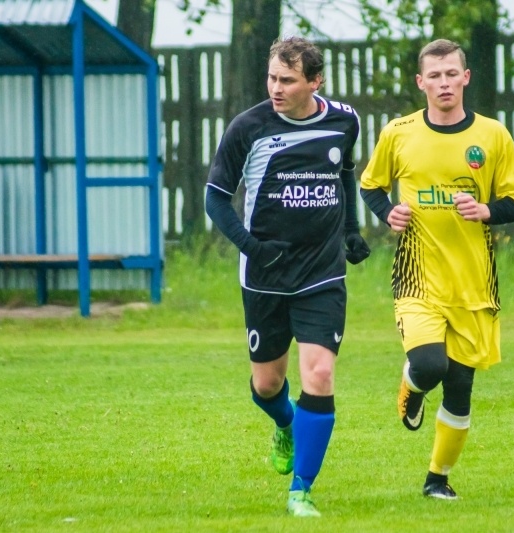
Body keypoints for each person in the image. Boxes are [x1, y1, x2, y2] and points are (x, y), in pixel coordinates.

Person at [205, 36, 370, 517]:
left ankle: (301, 490)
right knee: (267, 386)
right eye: (272, 78)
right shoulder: (248, 127)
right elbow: (215, 198)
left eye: (288, 80)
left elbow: (343, 173)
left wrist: (352, 231)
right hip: (264, 277)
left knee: (318, 373)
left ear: (315, 82)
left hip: (321, 271)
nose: (276, 88)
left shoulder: (345, 120)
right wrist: (255, 250)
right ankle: (285, 426)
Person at [359, 39, 514, 500]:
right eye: (434, 76)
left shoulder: (493, 136)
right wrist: (388, 212)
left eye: (451, 73)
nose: (444, 83)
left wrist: (486, 210)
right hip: (417, 277)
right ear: (421, 83)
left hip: (473, 284)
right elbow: (371, 186)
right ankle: (412, 386)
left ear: (466, 77)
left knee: (460, 386)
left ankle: (437, 479)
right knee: (430, 363)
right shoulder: (399, 132)